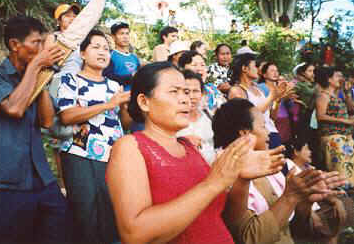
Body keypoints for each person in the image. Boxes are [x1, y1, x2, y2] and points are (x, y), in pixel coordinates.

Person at [107, 61, 285, 244]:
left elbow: (224, 218)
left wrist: (241, 180)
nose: (186, 99)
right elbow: (134, 234)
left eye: (186, 92)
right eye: (174, 91)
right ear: (144, 102)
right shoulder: (130, 147)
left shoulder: (190, 148)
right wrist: (213, 184)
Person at [0, 16, 69, 244]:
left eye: (42, 44)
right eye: (36, 43)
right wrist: (37, 65)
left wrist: (43, 77)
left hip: (41, 179)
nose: (41, 49)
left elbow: (47, 121)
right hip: (3, 182)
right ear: (15, 45)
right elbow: (15, 108)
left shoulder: (34, 76)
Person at [213, 98, 347, 244]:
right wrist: (290, 196)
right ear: (245, 133)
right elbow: (250, 238)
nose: (269, 132)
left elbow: (293, 229)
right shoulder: (225, 176)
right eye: (263, 126)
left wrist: (305, 201)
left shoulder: (267, 168)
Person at [57, 29, 130, 244]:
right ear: (82, 53)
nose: (102, 52)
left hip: (113, 157)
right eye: (96, 47)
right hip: (80, 154)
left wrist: (124, 107)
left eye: (106, 49)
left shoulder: (114, 85)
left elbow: (123, 124)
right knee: (85, 214)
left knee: (111, 213)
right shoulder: (70, 80)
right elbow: (67, 116)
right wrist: (109, 104)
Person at [44, 2, 81, 182]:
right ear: (58, 21)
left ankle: (78, 179)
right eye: (67, 16)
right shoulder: (54, 37)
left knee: (79, 133)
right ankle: (63, 182)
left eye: (74, 15)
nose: (72, 18)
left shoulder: (83, 38)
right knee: (60, 134)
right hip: (60, 84)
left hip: (82, 85)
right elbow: (47, 59)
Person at [228, 53, 287, 149]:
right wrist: (272, 96)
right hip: (256, 139)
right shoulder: (236, 91)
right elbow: (248, 116)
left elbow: (272, 117)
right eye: (255, 66)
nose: (258, 69)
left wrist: (277, 100)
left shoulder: (258, 89)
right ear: (244, 68)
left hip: (272, 132)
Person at [315, 66, 354, 188]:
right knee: (341, 168)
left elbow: (351, 108)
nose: (341, 79)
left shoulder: (338, 96)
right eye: (337, 76)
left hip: (344, 137)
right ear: (329, 79)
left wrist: (347, 92)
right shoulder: (323, 95)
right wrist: (344, 121)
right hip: (333, 137)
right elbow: (320, 116)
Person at [176, 70, 216, 164]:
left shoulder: (210, 116)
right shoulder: (170, 120)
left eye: (195, 91)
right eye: (186, 92)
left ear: (202, 94)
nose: (191, 96)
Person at [178, 50, 226, 117]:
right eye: (194, 65)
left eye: (202, 65)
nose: (199, 68)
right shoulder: (179, 92)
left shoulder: (212, 88)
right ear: (182, 69)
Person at [103, 22, 141, 91]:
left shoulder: (134, 58)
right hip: (119, 97)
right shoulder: (110, 56)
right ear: (113, 37)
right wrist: (130, 77)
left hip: (135, 96)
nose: (125, 37)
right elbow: (108, 77)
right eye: (121, 33)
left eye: (127, 33)